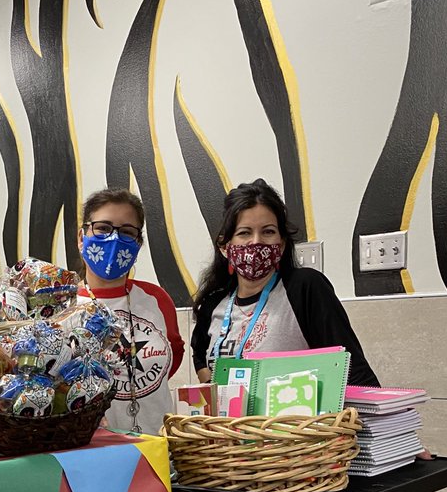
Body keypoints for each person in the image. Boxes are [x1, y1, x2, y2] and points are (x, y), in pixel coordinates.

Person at [191, 179, 379, 386]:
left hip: (292, 418)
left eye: (268, 231)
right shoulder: (214, 303)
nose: (256, 242)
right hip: (231, 419)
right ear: (225, 247)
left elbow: (351, 369)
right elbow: (199, 352)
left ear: (281, 245)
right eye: (244, 232)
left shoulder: (305, 288)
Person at [76, 186, 184, 434]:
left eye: (126, 232)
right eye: (103, 228)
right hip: (92, 454)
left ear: (138, 243)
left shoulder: (157, 299)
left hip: (159, 449)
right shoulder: (64, 307)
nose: (114, 240)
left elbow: (173, 355)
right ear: (82, 237)